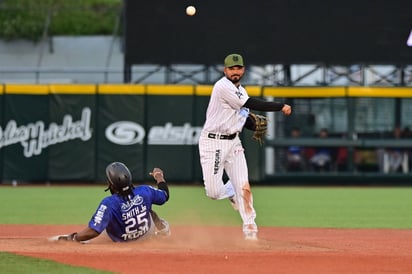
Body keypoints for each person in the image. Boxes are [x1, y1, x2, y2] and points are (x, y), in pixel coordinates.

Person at [198, 53, 292, 241]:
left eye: (238, 68)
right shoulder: (223, 86)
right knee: (214, 192)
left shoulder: (240, 89)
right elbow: (251, 104)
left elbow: (242, 116)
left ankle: (250, 230)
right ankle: (231, 191)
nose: (235, 71)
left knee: (244, 185)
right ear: (225, 70)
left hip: (233, 142)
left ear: (243, 70)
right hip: (213, 142)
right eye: (231, 68)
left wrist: (253, 126)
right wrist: (280, 106)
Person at [54, 162, 171, 243]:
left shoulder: (109, 203)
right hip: (146, 234)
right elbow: (164, 196)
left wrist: (75, 238)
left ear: (111, 184)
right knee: (148, 210)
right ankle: (163, 230)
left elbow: (93, 231)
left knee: (101, 226)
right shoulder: (145, 190)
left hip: (121, 240)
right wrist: (159, 177)